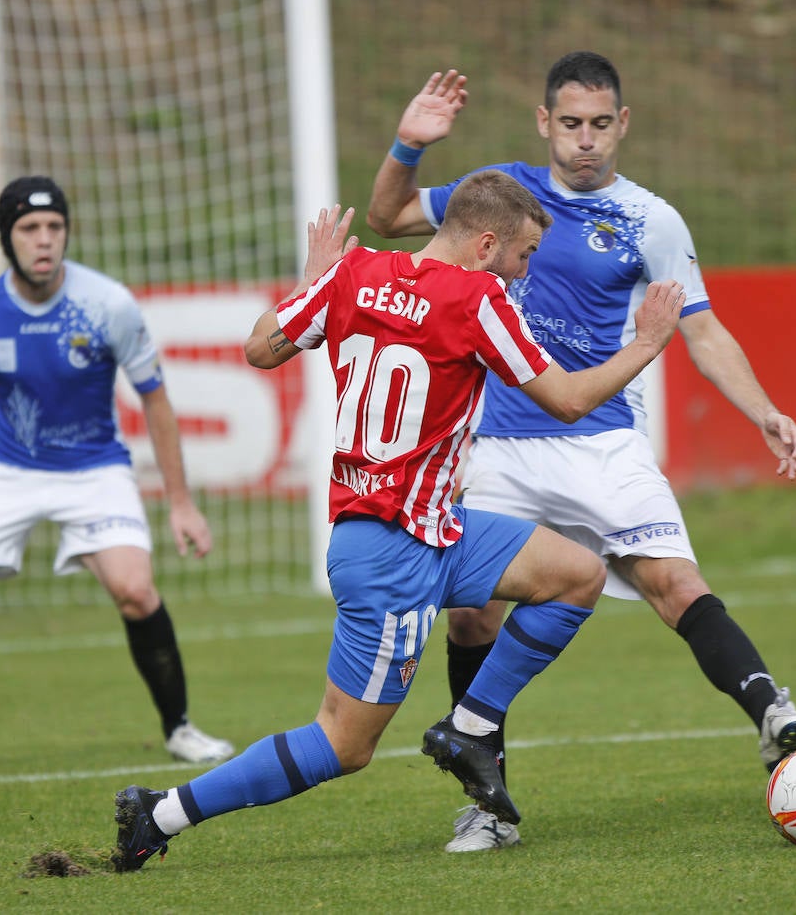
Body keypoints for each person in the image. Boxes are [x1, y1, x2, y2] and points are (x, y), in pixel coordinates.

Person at [109, 171, 685, 872]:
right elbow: (564, 400)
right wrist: (647, 343)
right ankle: (160, 811)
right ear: (485, 244)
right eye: (526, 252)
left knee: (576, 574)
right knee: (344, 744)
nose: (528, 267)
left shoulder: (351, 273)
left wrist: (312, 277)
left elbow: (260, 350)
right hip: (393, 555)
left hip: (432, 528)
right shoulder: (479, 298)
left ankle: (469, 728)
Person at [366, 53, 796, 852]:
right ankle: (489, 806)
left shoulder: (653, 220)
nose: (585, 141)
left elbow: (701, 330)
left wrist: (763, 409)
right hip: (499, 443)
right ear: (545, 123)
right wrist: (410, 143)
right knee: (473, 611)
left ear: (623, 125)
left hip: (603, 441)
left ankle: (772, 714)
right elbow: (390, 218)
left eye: (600, 124)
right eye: (570, 124)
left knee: (675, 583)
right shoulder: (498, 193)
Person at [0, 175, 234, 778]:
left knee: (136, 590)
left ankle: (179, 729)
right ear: (6, 237)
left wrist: (181, 503)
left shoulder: (108, 305)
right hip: (7, 470)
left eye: (54, 227)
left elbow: (154, 399)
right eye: (29, 228)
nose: (44, 240)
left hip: (94, 469)